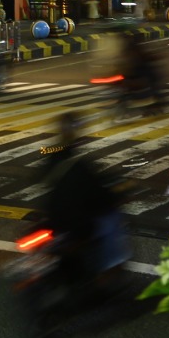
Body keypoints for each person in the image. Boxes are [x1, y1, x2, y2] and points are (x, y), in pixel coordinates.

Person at [44, 112, 125, 284]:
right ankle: (108, 270)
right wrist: (115, 197)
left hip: (52, 216)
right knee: (110, 221)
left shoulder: (52, 154)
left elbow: (40, 178)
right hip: (75, 223)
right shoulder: (81, 165)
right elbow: (98, 193)